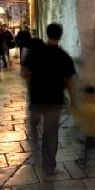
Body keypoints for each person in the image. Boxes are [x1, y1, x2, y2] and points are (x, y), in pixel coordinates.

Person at [22, 22, 77, 174]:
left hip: (36, 97)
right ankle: (49, 166)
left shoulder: (36, 52)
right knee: (51, 133)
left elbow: (24, 72)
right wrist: (73, 100)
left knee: (34, 125)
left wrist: (32, 82)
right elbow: (71, 82)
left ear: (47, 33)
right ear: (60, 36)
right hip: (54, 100)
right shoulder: (64, 57)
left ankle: (34, 151)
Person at [74, 84, 95, 175]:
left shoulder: (92, 107)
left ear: (90, 96)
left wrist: (74, 111)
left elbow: (83, 115)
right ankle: (84, 161)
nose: (83, 97)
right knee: (87, 148)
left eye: (84, 95)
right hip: (92, 132)